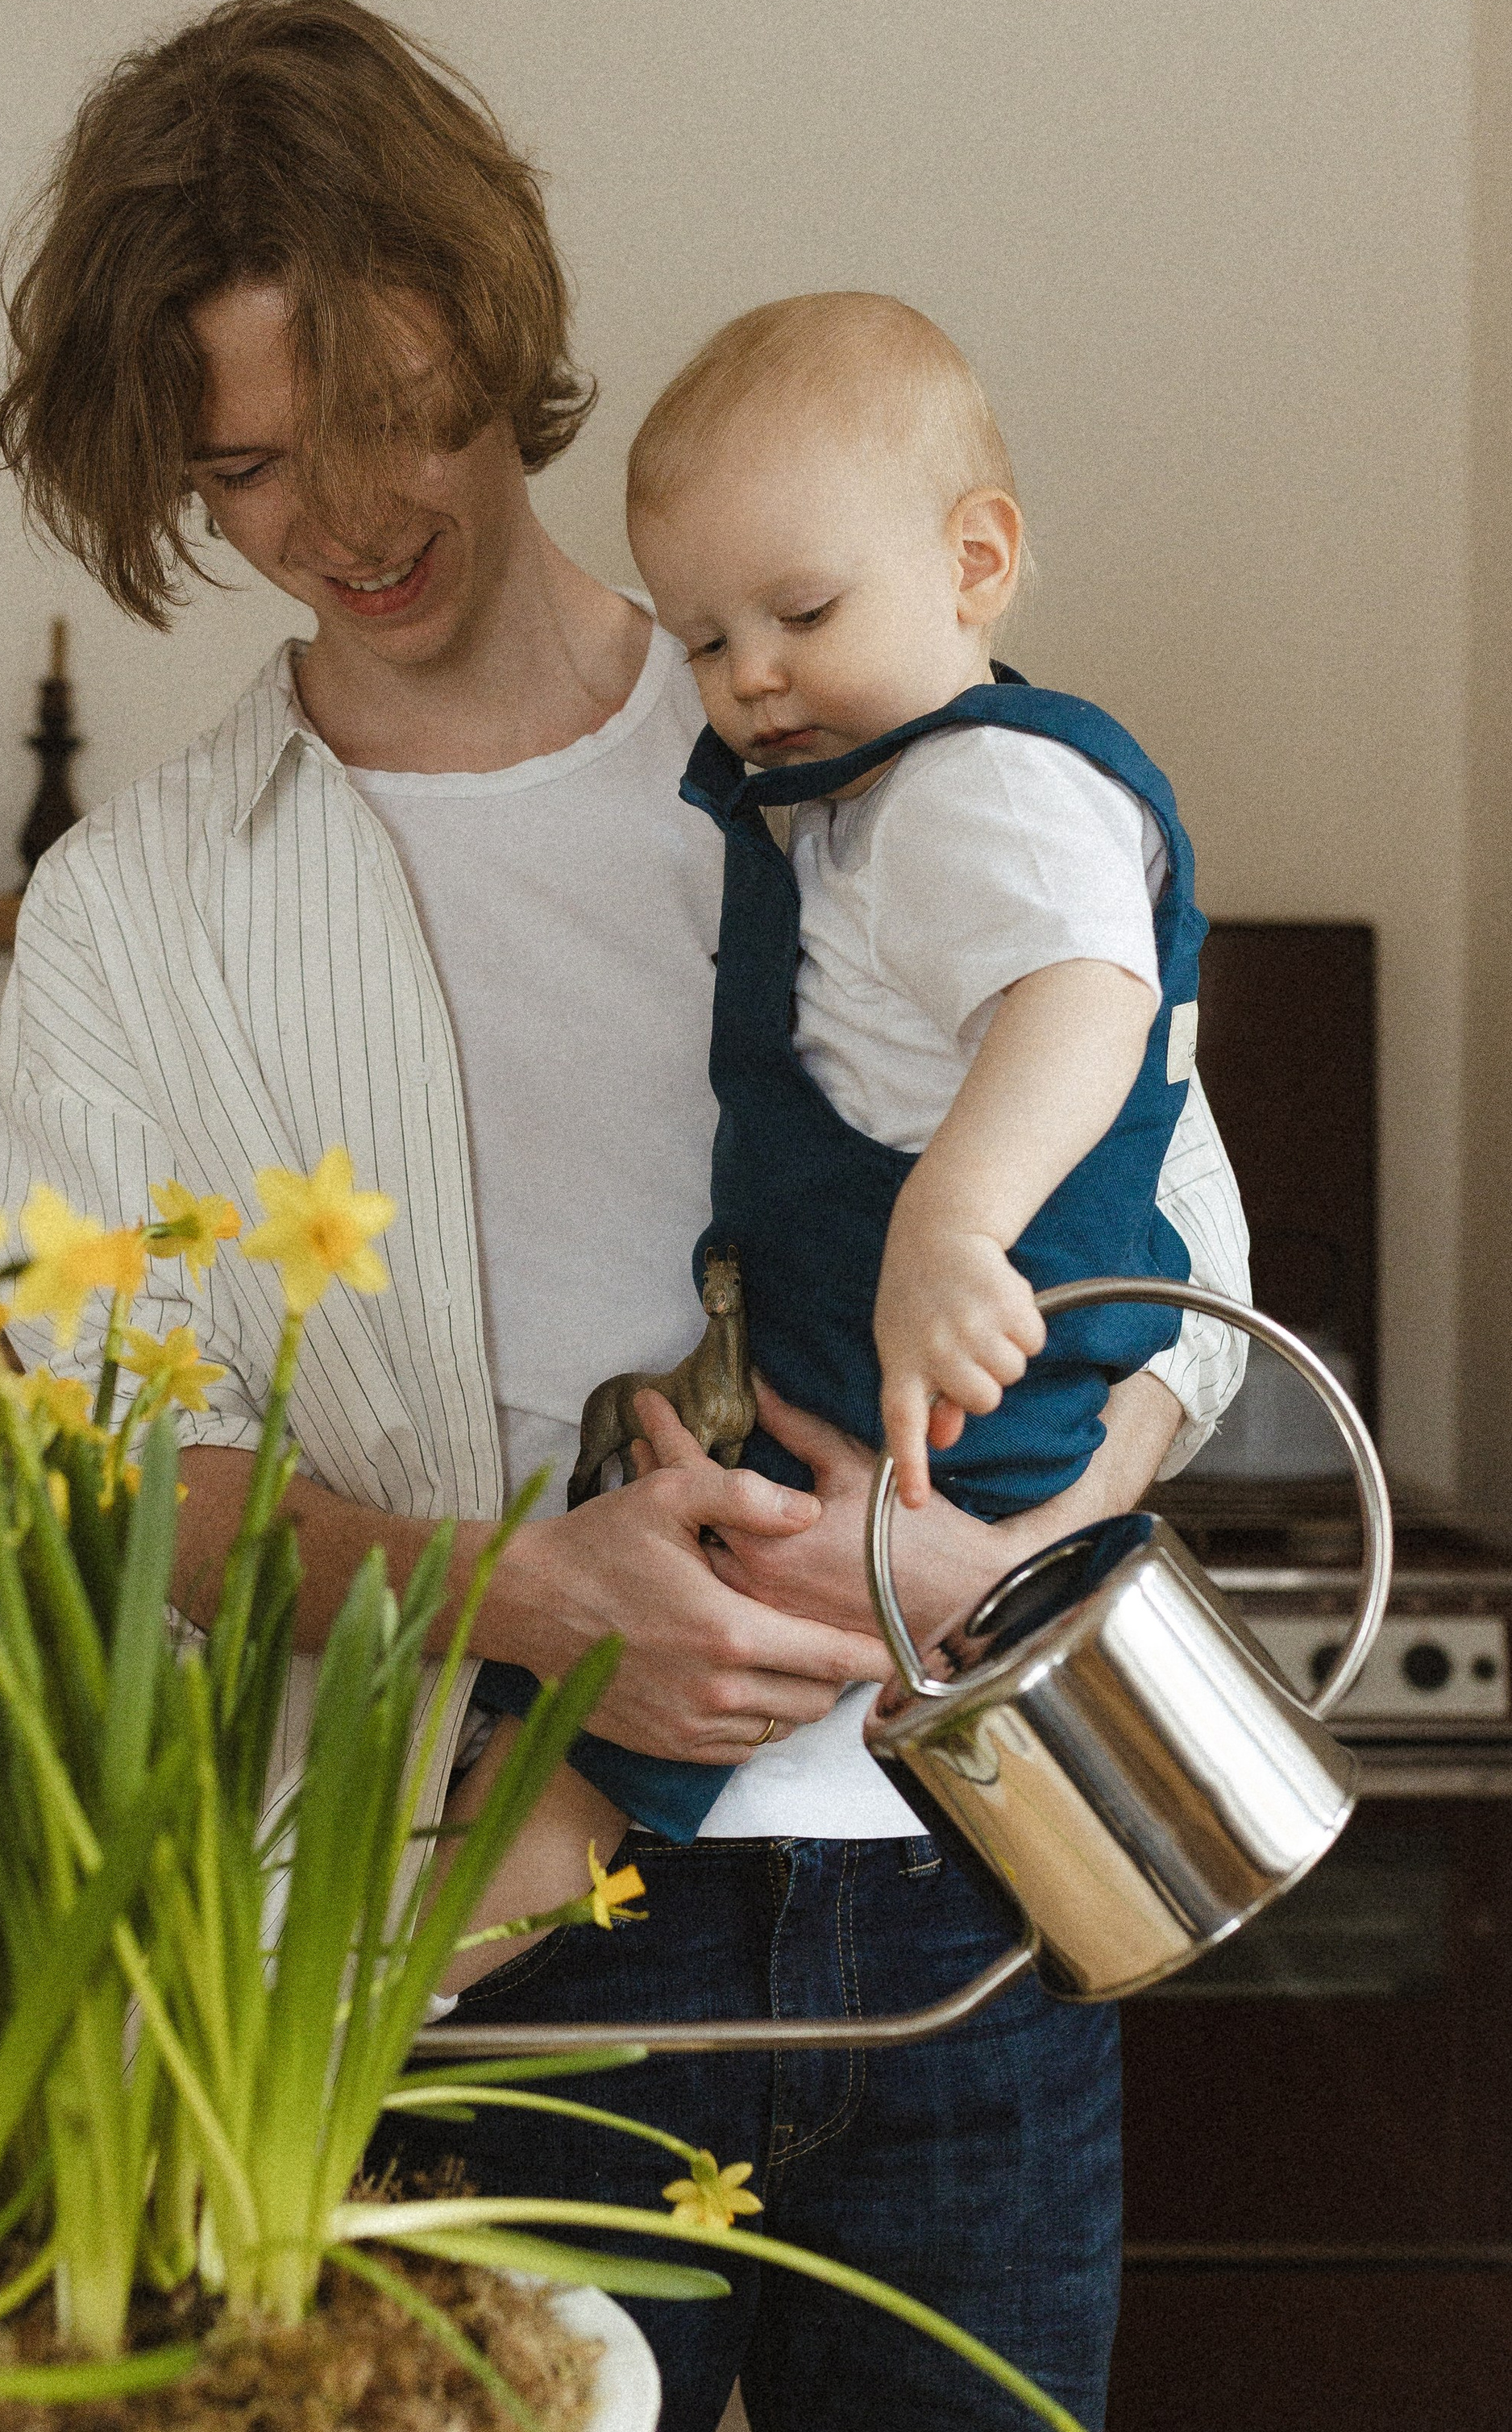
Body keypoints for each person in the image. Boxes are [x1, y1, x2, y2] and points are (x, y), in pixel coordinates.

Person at [0, 0, 1250, 2432]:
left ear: (492, 322)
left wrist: (986, 1530)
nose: (349, 519)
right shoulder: (149, 913)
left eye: (391, 414)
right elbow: (91, 1464)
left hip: (962, 1938)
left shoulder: (856, 732)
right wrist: (493, 1597)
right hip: (481, 1935)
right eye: (247, 481)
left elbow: (1182, 1271)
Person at [450, 287, 1208, 1919]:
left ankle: (411, 1984)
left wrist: (952, 1222)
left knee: (602, 1698)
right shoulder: (865, 805)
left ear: (975, 564)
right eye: (705, 639)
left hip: (958, 1387)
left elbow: (1088, 1000)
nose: (751, 675)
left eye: (799, 610)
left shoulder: (980, 790)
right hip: (895, 1386)